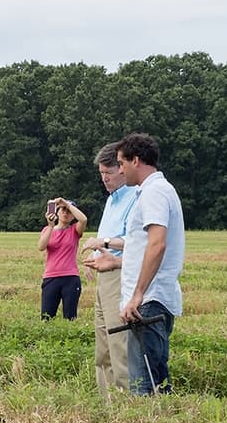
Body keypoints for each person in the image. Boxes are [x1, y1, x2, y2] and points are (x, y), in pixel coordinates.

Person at [115, 133, 185, 395]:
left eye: (121, 163)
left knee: (145, 384)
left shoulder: (154, 192)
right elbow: (144, 244)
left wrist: (137, 295)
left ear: (136, 160)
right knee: (155, 378)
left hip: (149, 302)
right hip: (151, 299)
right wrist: (114, 261)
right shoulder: (156, 190)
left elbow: (157, 244)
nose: (120, 171)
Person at [83, 144, 137, 396]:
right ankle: (106, 401)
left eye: (109, 172)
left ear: (122, 169)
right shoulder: (110, 201)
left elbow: (135, 243)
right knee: (102, 346)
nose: (104, 178)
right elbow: (106, 237)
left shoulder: (135, 198)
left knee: (119, 343)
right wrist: (94, 258)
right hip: (103, 276)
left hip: (120, 275)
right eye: (101, 173)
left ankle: (126, 400)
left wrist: (102, 244)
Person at [38, 196, 88, 319]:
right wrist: (50, 226)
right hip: (51, 277)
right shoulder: (47, 229)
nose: (65, 213)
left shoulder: (74, 230)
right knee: (46, 317)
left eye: (69, 211)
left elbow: (83, 219)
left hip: (70, 277)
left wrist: (67, 204)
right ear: (57, 212)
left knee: (70, 317)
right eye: (62, 210)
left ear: (73, 215)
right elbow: (41, 246)